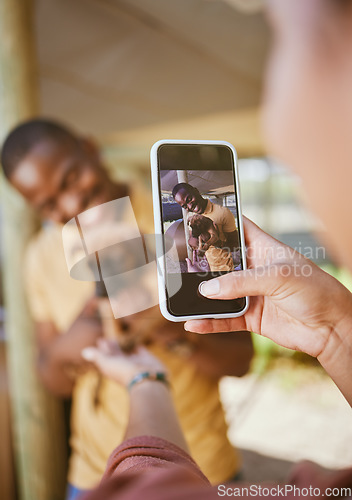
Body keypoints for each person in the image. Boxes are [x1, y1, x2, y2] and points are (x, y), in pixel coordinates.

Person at [64, 0, 352, 497]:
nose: (281, 126)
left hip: (202, 443)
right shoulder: (109, 235)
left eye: (295, 24)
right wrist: (335, 330)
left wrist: (144, 378)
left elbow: (159, 487)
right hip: (95, 453)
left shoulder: (194, 220)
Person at [0, 119, 254, 498]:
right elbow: (52, 378)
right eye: (49, 204)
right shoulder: (41, 257)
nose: (71, 204)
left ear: (90, 148)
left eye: (71, 178)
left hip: (200, 467)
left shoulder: (180, 218)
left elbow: (240, 360)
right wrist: (83, 334)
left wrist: (164, 324)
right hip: (95, 476)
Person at [172, 182, 239, 251]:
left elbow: (235, 246)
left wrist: (219, 243)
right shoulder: (191, 216)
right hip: (203, 261)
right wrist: (192, 241)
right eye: (185, 206)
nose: (190, 206)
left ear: (196, 191)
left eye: (189, 199)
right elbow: (192, 237)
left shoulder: (223, 212)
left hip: (222, 260)